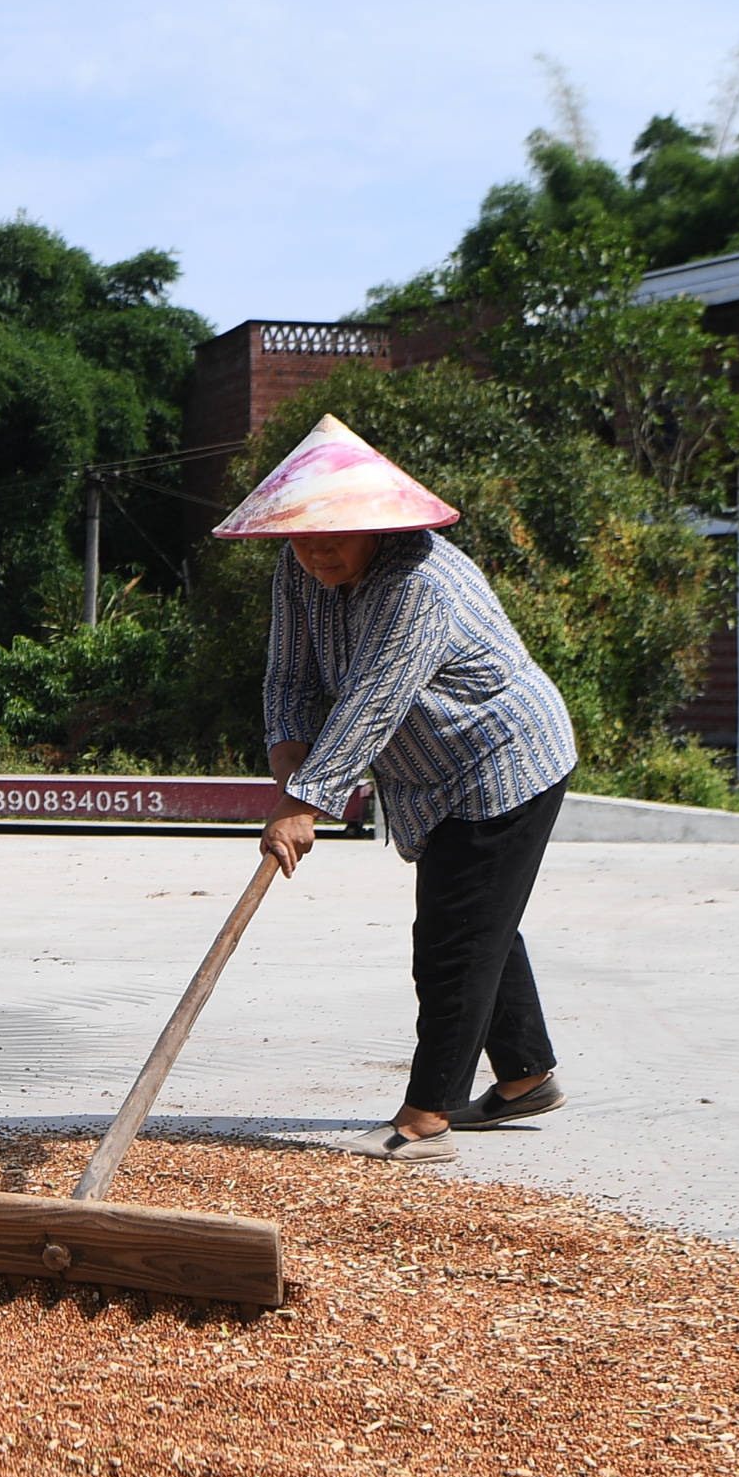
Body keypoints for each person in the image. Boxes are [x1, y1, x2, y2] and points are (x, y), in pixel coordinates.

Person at [213, 414, 579, 1163]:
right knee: (478, 923)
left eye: (334, 536)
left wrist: (304, 804)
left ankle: (425, 1118)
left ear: (378, 526)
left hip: (501, 760)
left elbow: (371, 701)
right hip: (430, 773)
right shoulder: (299, 566)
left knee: (453, 940)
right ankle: (526, 1077)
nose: (316, 552)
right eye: (303, 534)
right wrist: (289, 762)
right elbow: (289, 674)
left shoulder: (420, 584)